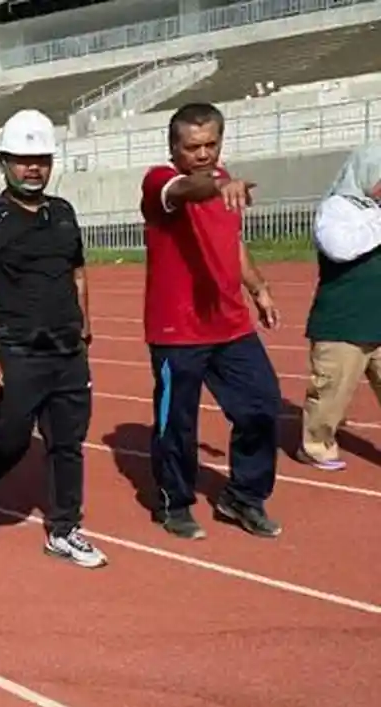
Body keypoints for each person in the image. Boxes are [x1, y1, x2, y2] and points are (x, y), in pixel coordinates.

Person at [0, 109, 106, 569]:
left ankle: (64, 529)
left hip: (67, 351)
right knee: (10, 440)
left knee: (67, 444)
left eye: (40, 159)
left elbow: (77, 271)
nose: (32, 168)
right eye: (22, 159)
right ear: (4, 162)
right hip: (15, 351)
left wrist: (85, 322)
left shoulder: (63, 213)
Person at [140, 101, 282, 540]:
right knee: (177, 422)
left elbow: (232, 243)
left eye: (211, 145)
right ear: (174, 148)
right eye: (192, 146)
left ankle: (244, 496)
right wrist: (212, 186)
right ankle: (175, 503)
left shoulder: (225, 184)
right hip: (176, 330)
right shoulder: (160, 182)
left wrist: (257, 288)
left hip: (230, 324)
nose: (203, 154)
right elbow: (186, 191)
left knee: (262, 405)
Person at [301, 144, 381, 470]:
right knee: (330, 393)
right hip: (343, 321)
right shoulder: (337, 208)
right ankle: (315, 445)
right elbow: (340, 248)